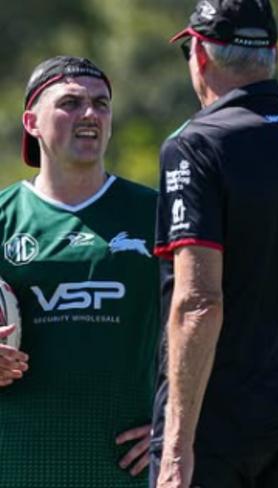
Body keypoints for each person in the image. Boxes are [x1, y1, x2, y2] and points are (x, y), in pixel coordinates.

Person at [151, 1, 278, 487]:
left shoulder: (195, 144)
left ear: (200, 55)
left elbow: (199, 302)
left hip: (213, 434)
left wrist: (177, 449)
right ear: (273, 54)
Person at [0, 56, 160, 487]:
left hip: (124, 472)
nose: (90, 114)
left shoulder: (155, 213)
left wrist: (182, 423)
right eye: (70, 103)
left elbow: (216, 315)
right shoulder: (4, 217)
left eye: (101, 104)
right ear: (31, 121)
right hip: (17, 466)